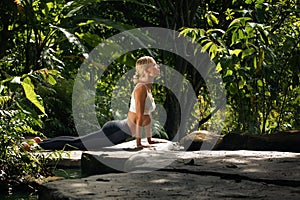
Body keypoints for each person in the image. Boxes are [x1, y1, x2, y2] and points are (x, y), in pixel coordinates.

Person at [34, 56, 161, 150]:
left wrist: (149, 140)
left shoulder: (147, 88)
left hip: (121, 131)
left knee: (78, 141)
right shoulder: (141, 89)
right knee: (79, 145)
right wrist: (139, 143)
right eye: (155, 65)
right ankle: (38, 146)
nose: (158, 67)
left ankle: (42, 142)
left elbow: (146, 116)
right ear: (147, 70)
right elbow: (139, 117)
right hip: (118, 131)